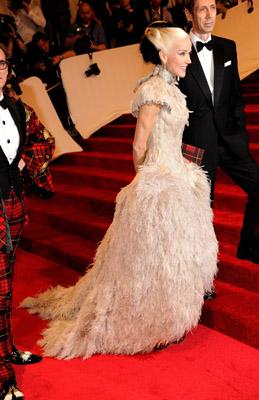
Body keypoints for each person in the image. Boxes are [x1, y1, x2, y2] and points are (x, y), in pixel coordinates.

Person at [21, 23, 217, 359]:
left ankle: (169, 318)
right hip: (159, 183)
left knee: (172, 259)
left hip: (180, 179)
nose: (188, 59)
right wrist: (145, 178)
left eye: (188, 52)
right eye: (182, 53)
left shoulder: (173, 88)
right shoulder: (154, 89)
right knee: (147, 261)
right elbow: (139, 144)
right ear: (162, 55)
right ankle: (149, 320)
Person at [179, 0, 259, 268]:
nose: (209, 14)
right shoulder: (178, 51)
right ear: (189, 14)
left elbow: (235, 95)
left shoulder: (227, 46)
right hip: (198, 145)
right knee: (201, 211)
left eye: (212, 7)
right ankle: (201, 278)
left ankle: (249, 246)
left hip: (230, 140)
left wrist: (240, 131)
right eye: (202, 8)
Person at [0, 46, 42, 400]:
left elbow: (44, 140)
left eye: (0, 62)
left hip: (13, 203)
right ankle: (2, 376)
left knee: (7, 287)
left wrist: (25, 163)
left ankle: (7, 347)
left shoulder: (18, 108)